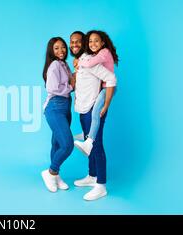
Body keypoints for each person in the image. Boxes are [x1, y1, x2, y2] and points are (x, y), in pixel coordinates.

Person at [70, 31, 117, 201]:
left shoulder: (89, 62)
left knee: (96, 145)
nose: (74, 45)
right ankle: (92, 176)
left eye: (78, 42)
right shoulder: (81, 62)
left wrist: (105, 104)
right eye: (72, 42)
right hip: (82, 109)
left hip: (93, 109)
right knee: (89, 146)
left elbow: (111, 78)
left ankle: (101, 185)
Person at [74, 30, 119, 156]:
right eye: (90, 41)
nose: (92, 43)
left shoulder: (104, 52)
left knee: (95, 112)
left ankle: (88, 142)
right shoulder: (99, 53)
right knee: (94, 112)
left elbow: (89, 63)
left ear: (103, 42)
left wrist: (79, 61)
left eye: (96, 41)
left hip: (108, 88)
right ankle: (86, 133)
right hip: (104, 88)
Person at [41, 37, 75, 193]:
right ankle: (50, 172)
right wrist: (70, 86)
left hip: (65, 106)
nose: (61, 50)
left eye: (63, 47)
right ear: (51, 51)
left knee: (57, 144)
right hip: (55, 107)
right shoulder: (54, 65)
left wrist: (77, 72)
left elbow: (70, 81)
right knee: (67, 145)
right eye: (56, 48)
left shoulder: (64, 64)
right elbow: (53, 88)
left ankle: (55, 176)